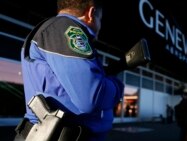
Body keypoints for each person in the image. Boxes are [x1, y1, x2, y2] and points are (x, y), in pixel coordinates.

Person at [14, 0, 124, 141]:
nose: (100, 25)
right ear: (90, 14)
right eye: (100, 19)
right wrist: (116, 85)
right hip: (57, 135)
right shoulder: (67, 29)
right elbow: (91, 98)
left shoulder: (54, 30)